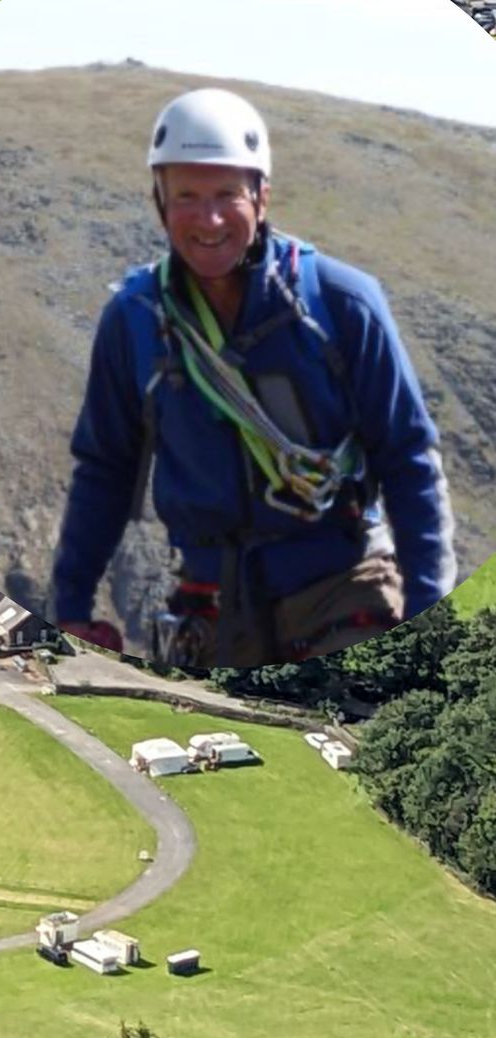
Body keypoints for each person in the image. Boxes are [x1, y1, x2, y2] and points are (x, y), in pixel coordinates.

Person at [51, 88, 455, 668]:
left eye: (227, 195)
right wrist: (71, 604)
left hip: (343, 587)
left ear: (262, 197)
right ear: (159, 202)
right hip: (209, 604)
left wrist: (425, 609)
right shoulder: (136, 318)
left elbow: (407, 457)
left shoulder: (341, 304)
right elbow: (106, 469)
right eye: (187, 196)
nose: (208, 219)